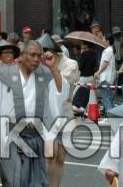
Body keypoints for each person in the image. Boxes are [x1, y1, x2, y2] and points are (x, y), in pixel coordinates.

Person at [0, 40, 70, 187]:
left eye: (39, 55)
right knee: (16, 179)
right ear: (21, 56)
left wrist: (53, 68)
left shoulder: (44, 75)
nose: (36, 59)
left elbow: (60, 93)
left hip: (36, 135)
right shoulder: (6, 75)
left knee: (37, 180)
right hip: (10, 136)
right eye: (32, 55)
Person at [40, 34, 79, 187]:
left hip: (66, 113)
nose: (46, 54)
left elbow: (63, 85)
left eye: (48, 50)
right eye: (42, 51)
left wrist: (51, 67)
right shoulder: (39, 65)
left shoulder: (71, 64)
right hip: (47, 115)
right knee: (49, 154)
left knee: (61, 157)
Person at [95, 34, 117, 113]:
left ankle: (109, 116)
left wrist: (98, 72)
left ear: (107, 41)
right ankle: (113, 115)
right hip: (108, 77)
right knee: (109, 97)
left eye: (103, 39)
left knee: (106, 97)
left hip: (105, 77)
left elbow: (105, 63)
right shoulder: (110, 50)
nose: (102, 41)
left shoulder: (107, 50)